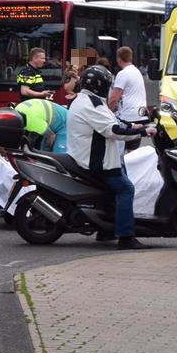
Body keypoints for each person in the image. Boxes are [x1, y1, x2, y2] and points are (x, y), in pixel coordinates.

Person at [66, 64, 148, 249]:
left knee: (112, 190)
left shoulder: (84, 99)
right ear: (100, 86)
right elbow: (113, 130)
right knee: (126, 189)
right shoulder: (92, 105)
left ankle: (106, 230)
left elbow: (112, 120)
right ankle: (126, 237)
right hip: (96, 161)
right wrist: (143, 132)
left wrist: (133, 126)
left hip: (84, 155)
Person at [108, 45, 148, 122]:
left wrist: (107, 114)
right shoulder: (137, 72)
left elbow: (114, 99)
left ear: (119, 59)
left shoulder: (123, 74)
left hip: (128, 117)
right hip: (141, 115)